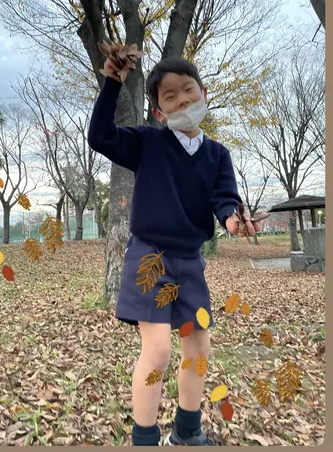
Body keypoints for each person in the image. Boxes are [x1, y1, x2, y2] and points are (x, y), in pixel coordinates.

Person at [87, 55, 262, 446]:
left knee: (199, 346)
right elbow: (100, 136)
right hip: (149, 258)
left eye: (189, 91)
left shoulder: (218, 155)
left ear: (204, 94)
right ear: (159, 111)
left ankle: (187, 430)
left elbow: (225, 201)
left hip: (190, 263)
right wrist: (112, 83)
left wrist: (233, 220)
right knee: (159, 351)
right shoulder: (147, 143)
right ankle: (144, 437)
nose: (183, 102)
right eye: (170, 97)